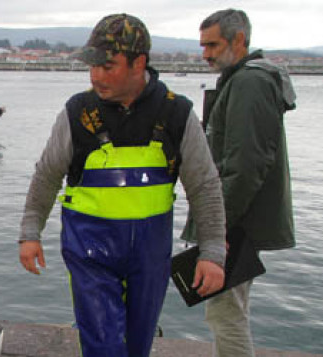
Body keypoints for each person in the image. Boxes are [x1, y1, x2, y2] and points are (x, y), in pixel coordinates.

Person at [18, 14, 227, 357]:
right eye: (92, 66)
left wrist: (213, 253)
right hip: (89, 252)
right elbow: (47, 174)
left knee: (137, 346)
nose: (96, 76)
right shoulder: (77, 112)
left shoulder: (178, 114)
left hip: (150, 256)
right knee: (104, 346)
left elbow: (204, 186)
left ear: (139, 63)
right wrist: (30, 233)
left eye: (108, 66)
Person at [185, 9, 296, 356]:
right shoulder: (246, 79)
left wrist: (217, 231)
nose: (205, 54)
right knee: (229, 311)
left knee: (225, 314)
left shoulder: (249, 83)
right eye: (203, 46)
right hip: (240, 220)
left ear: (239, 40)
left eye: (213, 45)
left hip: (236, 223)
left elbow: (246, 165)